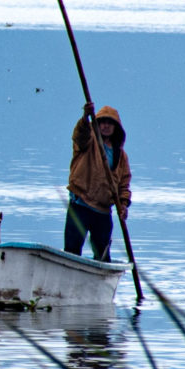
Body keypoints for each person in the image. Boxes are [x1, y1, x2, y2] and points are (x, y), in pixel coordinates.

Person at [65, 104, 130, 261]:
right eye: (102, 122)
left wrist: (123, 204)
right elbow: (79, 135)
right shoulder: (88, 142)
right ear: (97, 124)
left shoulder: (120, 156)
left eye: (110, 123)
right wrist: (85, 117)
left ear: (116, 127)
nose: (106, 126)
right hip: (81, 204)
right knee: (71, 252)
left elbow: (123, 184)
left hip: (103, 211)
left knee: (102, 256)